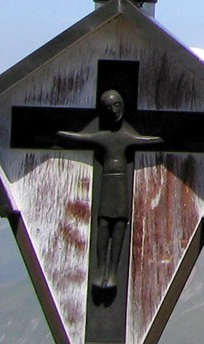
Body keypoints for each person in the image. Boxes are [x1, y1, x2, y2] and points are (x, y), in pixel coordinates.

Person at [56, 89, 163, 296]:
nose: (114, 111)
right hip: (107, 183)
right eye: (108, 108)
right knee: (104, 223)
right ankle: (100, 269)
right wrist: (57, 133)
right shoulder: (103, 137)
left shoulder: (126, 137)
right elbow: (80, 138)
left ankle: (112, 271)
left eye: (116, 105)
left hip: (120, 183)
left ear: (122, 105)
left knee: (120, 224)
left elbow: (149, 141)